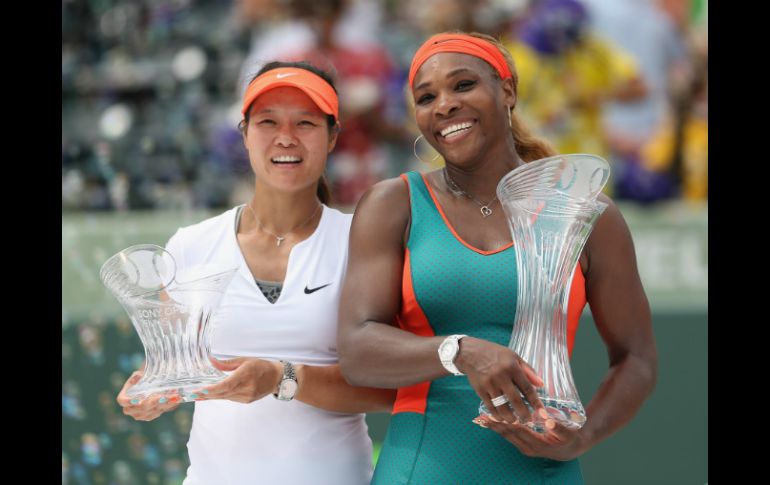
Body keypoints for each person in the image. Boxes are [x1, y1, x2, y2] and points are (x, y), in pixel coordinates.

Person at [338, 32, 657, 484]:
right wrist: (459, 351)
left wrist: (582, 438)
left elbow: (636, 359)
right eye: (426, 97)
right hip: (421, 471)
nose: (444, 105)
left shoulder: (586, 213)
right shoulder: (393, 204)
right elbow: (356, 351)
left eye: (463, 85)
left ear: (507, 90)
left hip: (544, 472)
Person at [116, 60, 395, 485]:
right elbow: (174, 366)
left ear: (332, 136)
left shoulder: (362, 243)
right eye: (268, 122)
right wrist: (152, 389)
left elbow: (390, 389)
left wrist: (282, 378)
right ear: (245, 133)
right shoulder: (190, 246)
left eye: (305, 122)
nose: (286, 137)